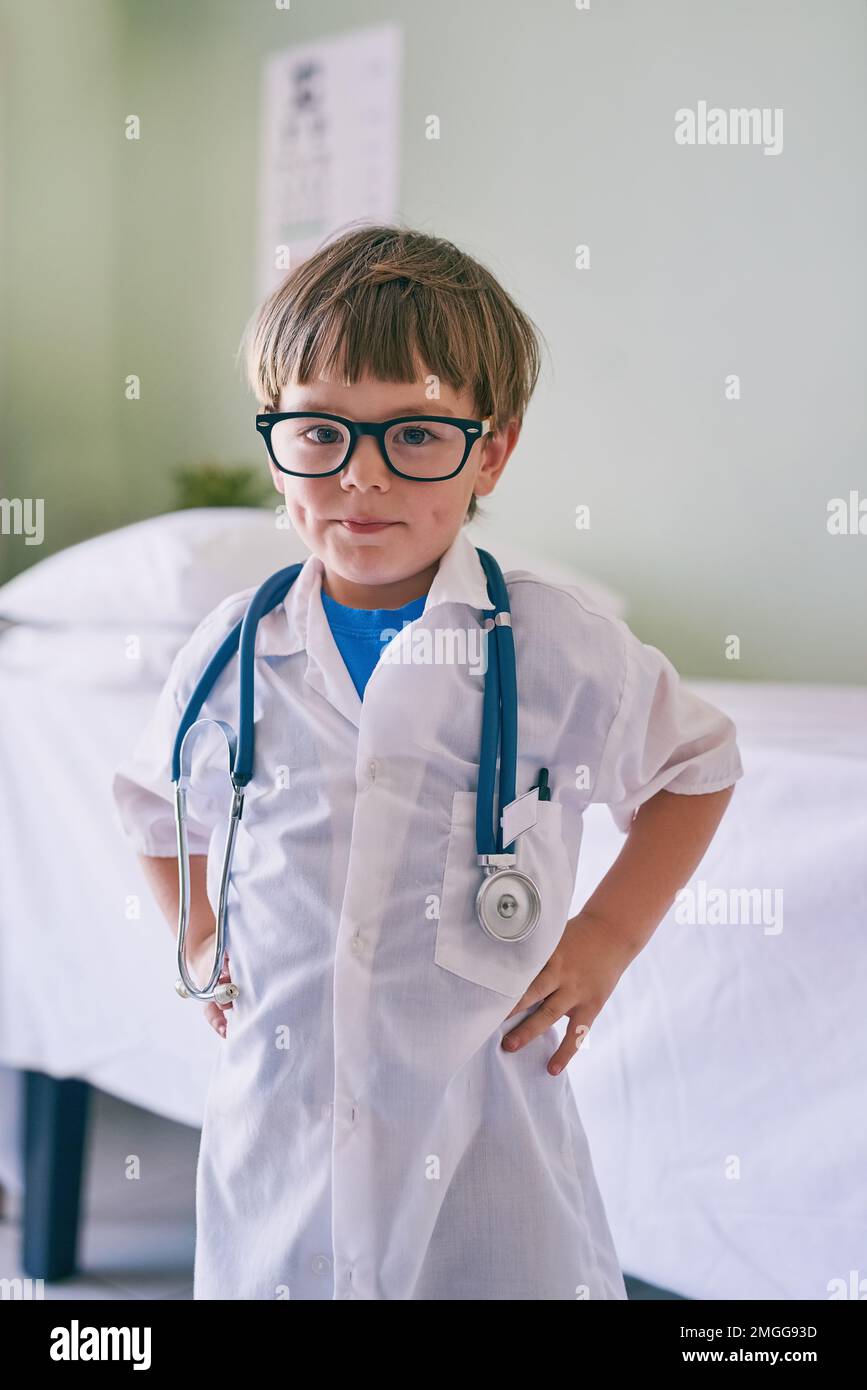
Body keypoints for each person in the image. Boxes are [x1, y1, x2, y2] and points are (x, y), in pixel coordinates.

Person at [111, 222, 744, 1301]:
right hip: (282, 1130)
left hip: (486, 1142)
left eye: (414, 435)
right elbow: (152, 807)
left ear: (489, 450)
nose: (361, 476)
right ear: (277, 443)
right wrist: (204, 935)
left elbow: (697, 764)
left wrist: (605, 938)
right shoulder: (229, 648)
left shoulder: (552, 643)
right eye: (320, 433)